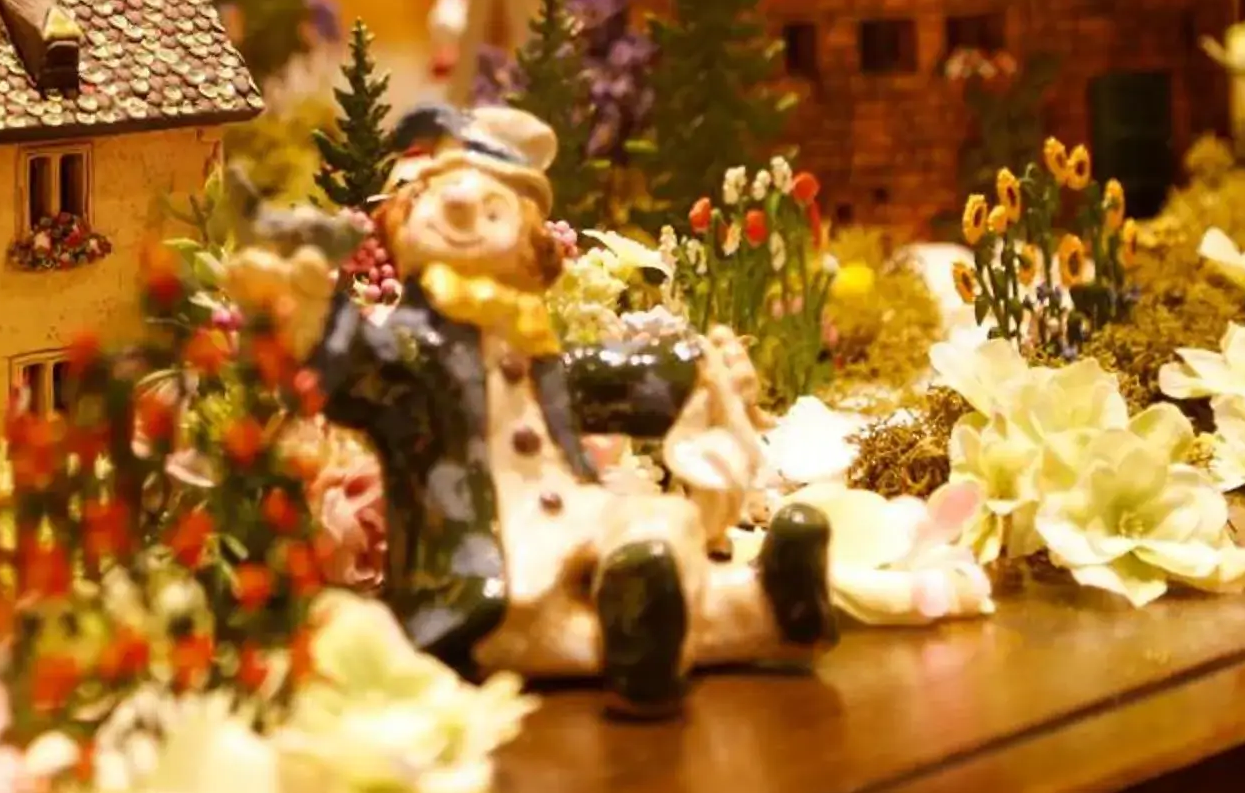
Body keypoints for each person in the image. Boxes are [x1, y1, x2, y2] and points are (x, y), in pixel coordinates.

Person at [230, 101, 832, 715]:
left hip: (580, 519)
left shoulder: (532, 343)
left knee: (661, 527)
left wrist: (697, 368)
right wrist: (308, 324)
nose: (465, 214)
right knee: (553, 622)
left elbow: (605, 380)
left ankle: (770, 603)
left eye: (492, 210)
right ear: (403, 228)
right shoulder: (409, 350)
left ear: (528, 248)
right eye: (442, 204)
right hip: (482, 561)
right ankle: (680, 633)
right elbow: (357, 371)